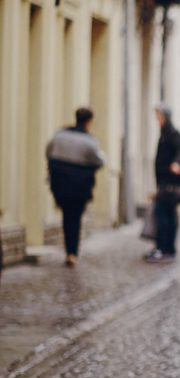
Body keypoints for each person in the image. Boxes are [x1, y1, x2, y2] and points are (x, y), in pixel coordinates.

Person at [45, 107, 106, 267]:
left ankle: (69, 251)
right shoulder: (89, 141)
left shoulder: (60, 135)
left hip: (60, 185)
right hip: (80, 187)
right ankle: (72, 252)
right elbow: (99, 161)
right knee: (76, 218)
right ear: (88, 122)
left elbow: (49, 152)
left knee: (66, 217)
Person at [146, 104, 180, 263]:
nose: (157, 119)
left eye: (159, 116)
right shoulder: (164, 134)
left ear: (165, 117)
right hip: (163, 180)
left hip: (170, 183)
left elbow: (179, 153)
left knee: (165, 215)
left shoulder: (174, 134)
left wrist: (176, 164)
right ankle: (164, 247)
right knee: (164, 214)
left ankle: (165, 248)